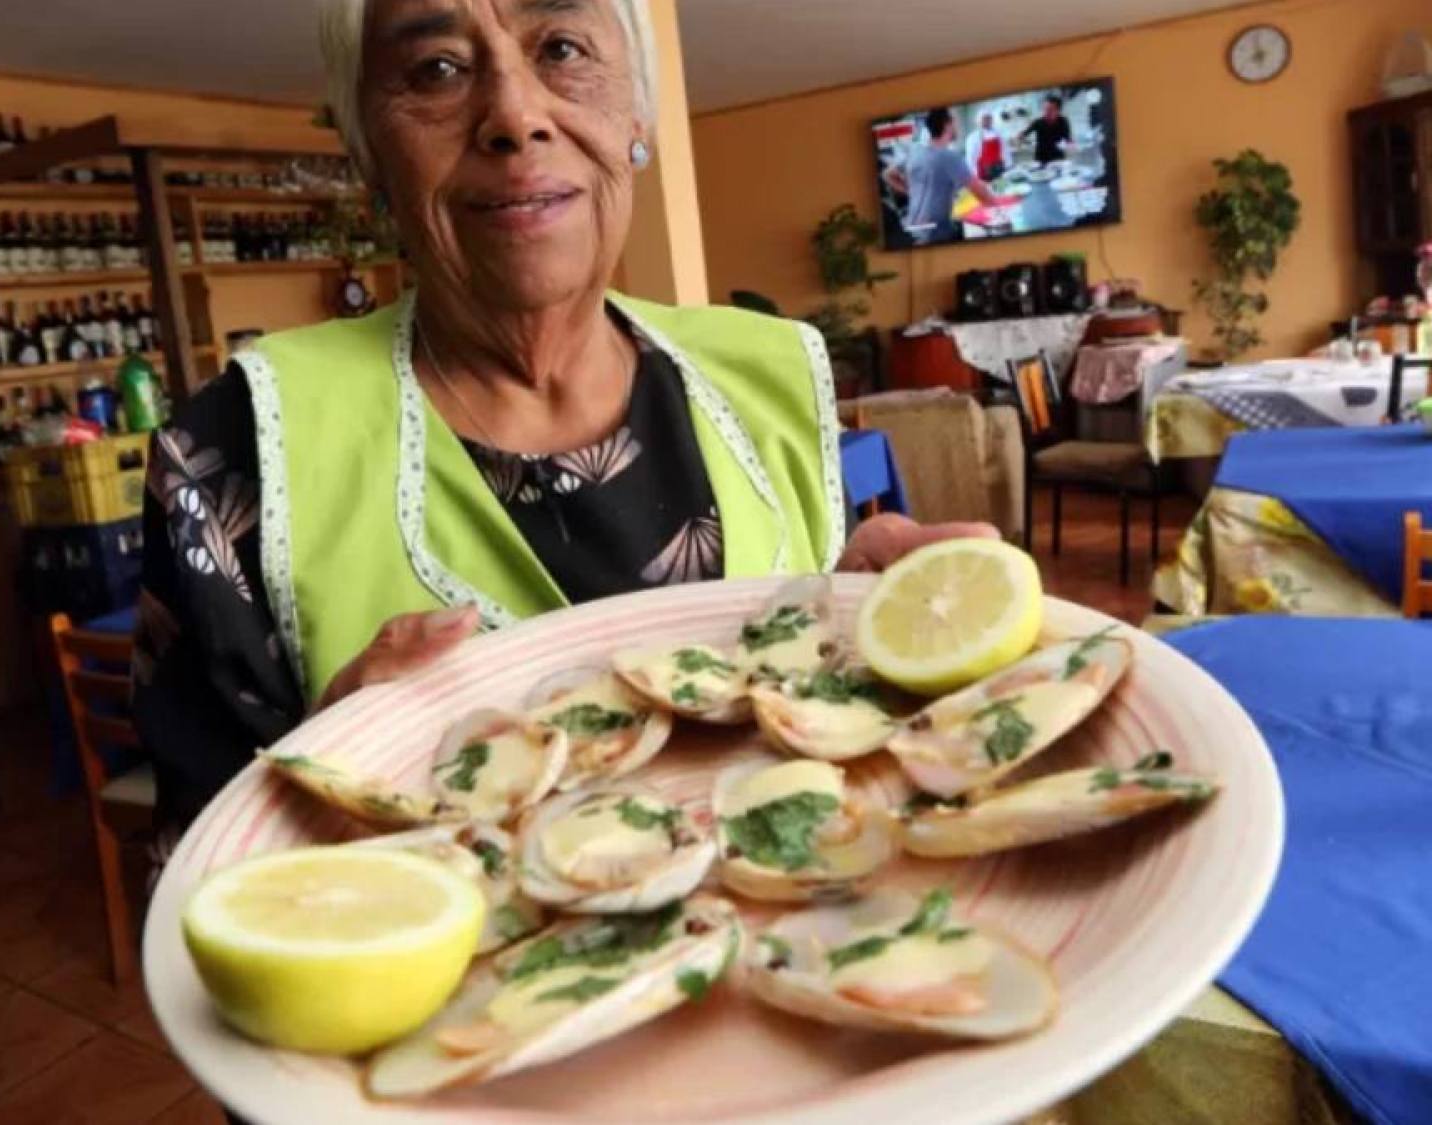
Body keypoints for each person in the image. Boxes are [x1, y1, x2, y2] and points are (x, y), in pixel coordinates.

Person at [134, 0, 999, 831]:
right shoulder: (233, 450)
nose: (514, 115)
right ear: (371, 161)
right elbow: (199, 883)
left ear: (640, 117)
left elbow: (817, 744)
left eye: (562, 50)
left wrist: (853, 635)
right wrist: (328, 788)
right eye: (436, 69)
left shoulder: (770, 370)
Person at [882, 107, 1004, 247]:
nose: (957, 126)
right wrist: (1001, 212)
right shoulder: (950, 157)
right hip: (937, 236)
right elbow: (984, 195)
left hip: (912, 231)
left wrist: (912, 192)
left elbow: (888, 174)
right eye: (955, 122)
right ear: (948, 124)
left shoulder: (915, 151)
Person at [1021, 96, 1074, 165]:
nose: (1046, 112)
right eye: (1045, 109)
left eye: (1050, 109)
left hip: (1058, 157)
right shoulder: (1038, 122)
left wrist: (1070, 144)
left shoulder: (1063, 121)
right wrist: (1020, 137)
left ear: (1058, 110)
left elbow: (1067, 137)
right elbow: (1025, 133)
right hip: (1041, 158)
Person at [964, 110, 1007, 182]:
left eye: (989, 119)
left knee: (1001, 186)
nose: (987, 121)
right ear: (979, 121)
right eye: (984, 119)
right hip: (983, 170)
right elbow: (971, 157)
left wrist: (1008, 165)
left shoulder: (998, 133)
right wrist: (974, 174)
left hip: (999, 167)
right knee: (988, 189)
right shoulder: (973, 137)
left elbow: (1005, 151)